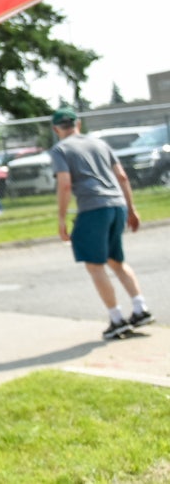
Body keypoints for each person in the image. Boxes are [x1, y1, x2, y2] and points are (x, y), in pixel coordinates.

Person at [49, 107, 154, 340]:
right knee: (116, 260)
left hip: (93, 208)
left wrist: (61, 218)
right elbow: (122, 176)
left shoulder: (61, 150)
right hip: (117, 205)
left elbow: (65, 184)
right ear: (78, 124)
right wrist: (131, 209)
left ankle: (116, 319)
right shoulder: (100, 144)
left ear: (56, 129)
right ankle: (140, 308)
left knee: (95, 266)